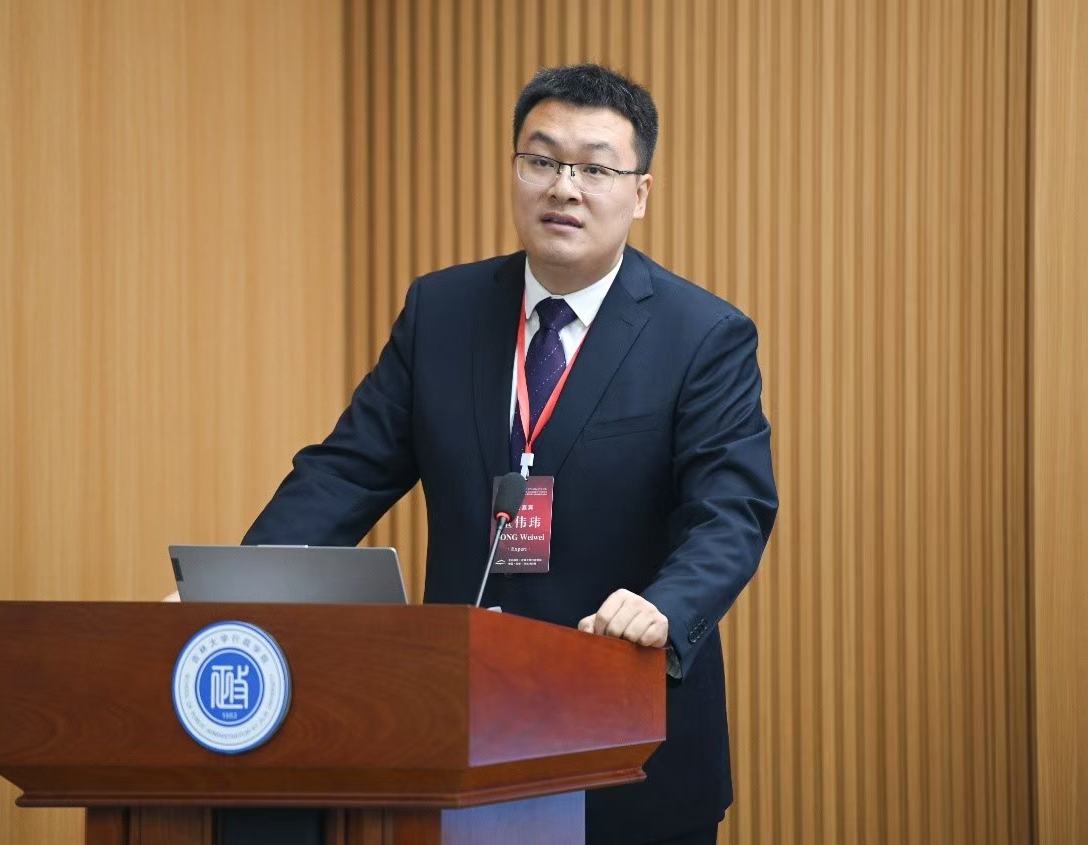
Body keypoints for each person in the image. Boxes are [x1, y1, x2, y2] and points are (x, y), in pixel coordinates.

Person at [241, 64, 777, 845]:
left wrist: (664, 606)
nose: (564, 187)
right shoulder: (442, 310)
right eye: (541, 160)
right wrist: (238, 586)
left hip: (624, 730)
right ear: (514, 170)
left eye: (594, 168)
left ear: (639, 192)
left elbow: (729, 510)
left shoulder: (701, 335)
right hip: (458, 729)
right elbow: (347, 469)